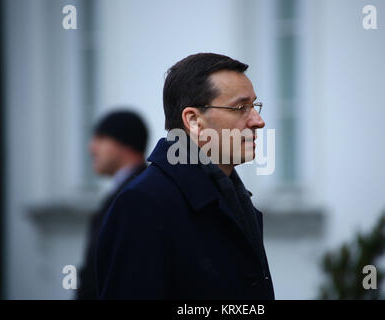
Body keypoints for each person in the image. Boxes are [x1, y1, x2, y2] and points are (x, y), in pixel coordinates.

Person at [96, 53, 274, 299]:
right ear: (193, 120)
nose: (258, 121)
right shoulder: (143, 204)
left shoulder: (234, 199)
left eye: (255, 106)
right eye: (241, 107)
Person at [76, 110, 148, 300]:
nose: (92, 148)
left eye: (100, 138)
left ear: (124, 143)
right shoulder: (132, 189)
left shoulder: (137, 194)